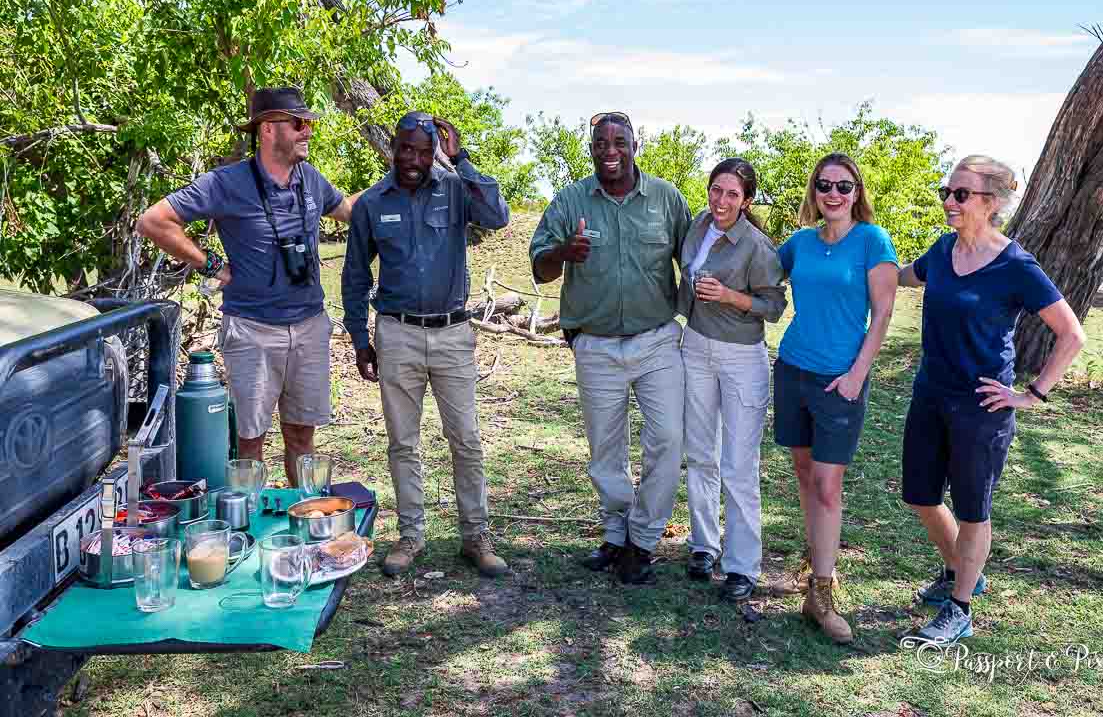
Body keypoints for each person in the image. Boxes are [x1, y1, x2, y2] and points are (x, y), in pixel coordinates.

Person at [898, 155, 1085, 647]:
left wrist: (1032, 395)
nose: (949, 202)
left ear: (993, 203)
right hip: (930, 393)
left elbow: (1071, 335)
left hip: (982, 408)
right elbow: (902, 276)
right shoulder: (942, 251)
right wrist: (861, 262)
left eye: (961, 194)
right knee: (919, 495)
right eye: (947, 191)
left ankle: (960, 607)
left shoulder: (1015, 266)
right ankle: (963, 570)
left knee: (972, 510)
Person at [136, 86, 357, 486]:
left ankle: (304, 525)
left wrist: (405, 177)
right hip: (253, 329)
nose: (308, 132)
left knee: (302, 434)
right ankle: (251, 528)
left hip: (309, 326)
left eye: (308, 123)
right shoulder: (226, 183)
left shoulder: (311, 180)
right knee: (250, 440)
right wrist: (213, 265)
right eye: (300, 123)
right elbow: (153, 221)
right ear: (268, 129)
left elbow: (352, 212)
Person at [342, 112, 511, 578]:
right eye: (406, 148)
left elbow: (497, 216)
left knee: (467, 439)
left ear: (435, 149)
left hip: (453, 333)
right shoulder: (373, 202)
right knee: (403, 441)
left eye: (423, 149)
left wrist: (463, 160)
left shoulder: (456, 188)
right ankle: (411, 536)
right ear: (394, 147)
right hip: (396, 333)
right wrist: (360, 338)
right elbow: (355, 275)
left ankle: (475, 536)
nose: (413, 159)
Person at [529, 111, 691, 585]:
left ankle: (644, 539)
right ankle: (616, 533)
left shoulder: (665, 198)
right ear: (592, 149)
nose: (610, 150)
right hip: (596, 345)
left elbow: (696, 257)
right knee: (606, 449)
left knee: (667, 439)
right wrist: (564, 253)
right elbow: (540, 269)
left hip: (657, 340)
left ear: (635, 144)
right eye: (601, 142)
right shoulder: (571, 200)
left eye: (620, 140)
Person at [774, 152, 899, 644]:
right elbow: (760, 270)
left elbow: (884, 313)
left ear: (857, 193)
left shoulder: (873, 239)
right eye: (824, 185)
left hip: (839, 382)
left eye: (844, 187)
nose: (833, 194)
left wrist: (856, 375)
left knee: (828, 485)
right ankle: (814, 558)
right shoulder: (801, 242)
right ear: (814, 191)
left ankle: (822, 593)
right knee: (805, 474)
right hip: (793, 371)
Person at [677, 158, 786, 602]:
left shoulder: (757, 246)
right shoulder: (698, 225)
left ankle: (742, 566)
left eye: (732, 194)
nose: (721, 201)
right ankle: (704, 544)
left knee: (739, 465)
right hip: (695, 347)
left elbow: (774, 306)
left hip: (742, 357)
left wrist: (729, 296)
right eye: (716, 190)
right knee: (701, 453)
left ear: (747, 200)